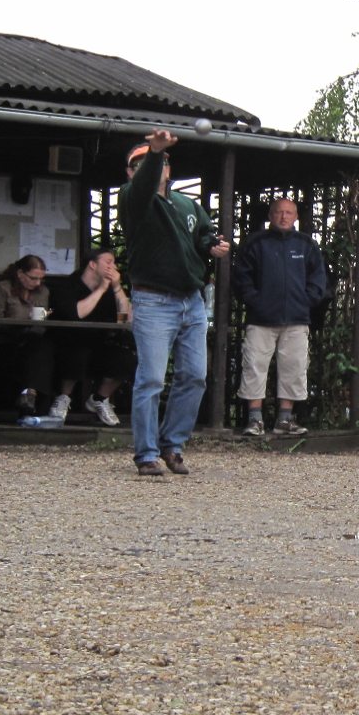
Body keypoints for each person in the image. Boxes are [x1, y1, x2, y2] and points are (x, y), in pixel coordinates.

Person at [120, 131, 231, 476]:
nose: (147, 168)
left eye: (154, 162)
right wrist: (154, 151)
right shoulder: (132, 198)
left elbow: (202, 234)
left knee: (195, 377)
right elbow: (143, 185)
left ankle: (172, 444)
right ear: (130, 172)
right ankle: (146, 453)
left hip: (191, 301)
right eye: (136, 164)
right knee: (151, 378)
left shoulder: (188, 205)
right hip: (153, 300)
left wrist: (212, 245)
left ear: (170, 168)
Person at [232, 198, 328, 437]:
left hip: (296, 319)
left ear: (296, 217)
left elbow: (318, 279)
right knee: (254, 366)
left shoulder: (306, 244)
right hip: (260, 319)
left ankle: (285, 420)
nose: (283, 216)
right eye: (279, 212)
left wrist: (306, 301)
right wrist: (255, 300)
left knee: (294, 367)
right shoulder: (255, 243)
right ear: (270, 215)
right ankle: (255, 420)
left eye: (288, 212)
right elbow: (241, 277)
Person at [51, 249, 132, 426]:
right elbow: (78, 313)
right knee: (77, 355)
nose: (114, 267)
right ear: (92, 264)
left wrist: (117, 288)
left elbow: (127, 319)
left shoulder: (111, 290)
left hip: (99, 343)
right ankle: (63, 398)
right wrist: (102, 289)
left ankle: (100, 399)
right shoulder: (67, 285)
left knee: (124, 359)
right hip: (66, 342)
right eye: (108, 262)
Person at [0, 254, 54, 417]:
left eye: (41, 279)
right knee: (40, 357)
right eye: (33, 278)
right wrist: (24, 321)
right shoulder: (2, 289)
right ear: (20, 273)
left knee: (44, 348)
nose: (37, 283)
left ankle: (28, 396)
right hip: (2, 344)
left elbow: (41, 326)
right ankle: (37, 407)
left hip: (30, 343)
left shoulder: (43, 292)